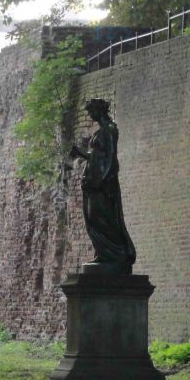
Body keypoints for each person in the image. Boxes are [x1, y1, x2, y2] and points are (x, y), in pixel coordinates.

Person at [70, 98, 136, 271]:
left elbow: (111, 158)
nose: (90, 115)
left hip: (102, 183)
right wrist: (81, 154)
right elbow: (97, 156)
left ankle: (117, 254)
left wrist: (102, 180)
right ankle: (104, 254)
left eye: (92, 111)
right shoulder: (101, 131)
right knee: (93, 219)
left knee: (103, 218)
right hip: (92, 181)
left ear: (100, 110)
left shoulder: (110, 129)